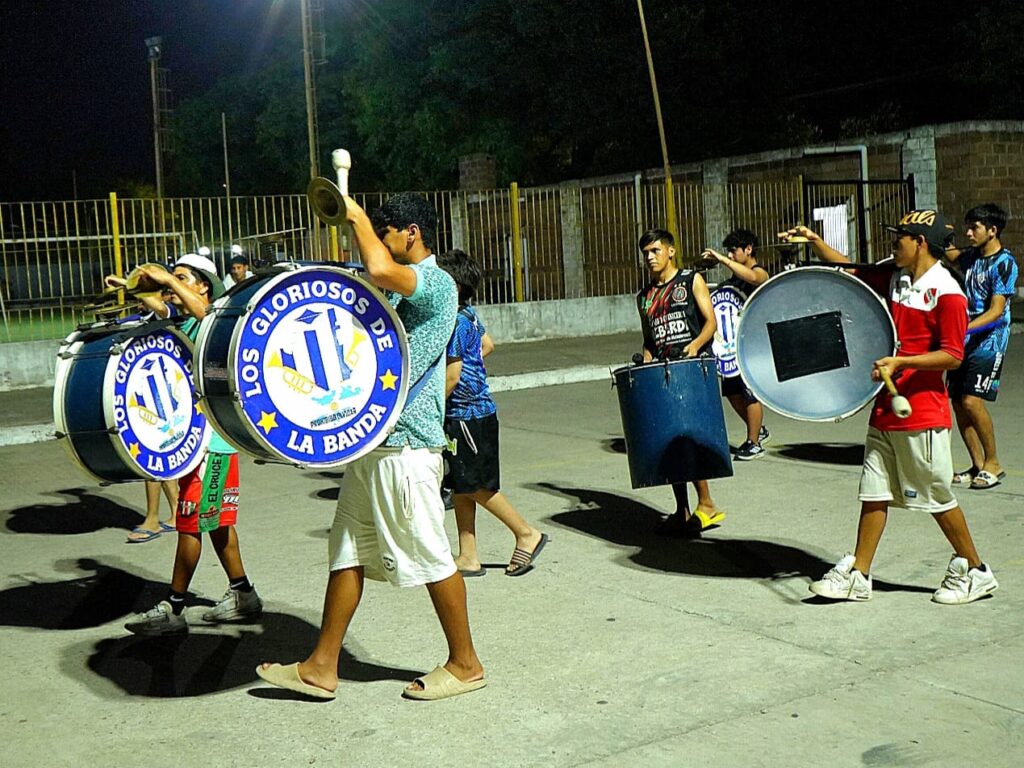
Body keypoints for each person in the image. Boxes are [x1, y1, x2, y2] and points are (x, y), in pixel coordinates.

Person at [257, 193, 485, 701]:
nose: (379, 242)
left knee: (431, 555)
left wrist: (354, 215)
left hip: (406, 446)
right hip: (374, 442)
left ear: (411, 232)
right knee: (346, 550)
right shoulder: (404, 293)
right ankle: (321, 665)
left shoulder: (436, 283)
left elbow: (379, 269)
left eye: (385, 231)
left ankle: (466, 663)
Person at [783, 211, 998, 604]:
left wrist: (902, 363)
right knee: (874, 492)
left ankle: (976, 569)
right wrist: (813, 241)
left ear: (920, 241)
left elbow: (952, 354)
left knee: (936, 496)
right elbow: (847, 269)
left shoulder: (947, 292)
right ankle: (859, 575)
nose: (893, 242)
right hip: (886, 407)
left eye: (900, 236)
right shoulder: (894, 275)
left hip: (922, 412)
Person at [117, 253, 262, 633]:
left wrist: (167, 278)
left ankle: (174, 608)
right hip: (198, 442)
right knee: (214, 523)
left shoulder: (214, 320)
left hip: (213, 443)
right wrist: (133, 285)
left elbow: (205, 312)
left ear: (202, 285)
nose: (171, 285)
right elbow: (158, 304)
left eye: (182, 279)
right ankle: (243, 593)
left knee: (191, 524)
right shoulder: (183, 321)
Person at [436, 249, 548, 578]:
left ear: (453, 286)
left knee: (475, 485)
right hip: (475, 411)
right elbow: (488, 345)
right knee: (461, 484)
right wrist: (475, 368)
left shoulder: (455, 321)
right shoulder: (467, 314)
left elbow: (452, 376)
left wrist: (433, 407)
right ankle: (468, 555)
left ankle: (526, 533)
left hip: (466, 414)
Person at [636, 228, 726, 537]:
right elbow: (649, 339)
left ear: (671, 251)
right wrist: (645, 365)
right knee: (667, 442)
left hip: (690, 370)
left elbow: (711, 322)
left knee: (687, 437)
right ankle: (682, 509)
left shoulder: (690, 281)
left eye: (655, 251)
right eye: (646, 253)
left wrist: (694, 345)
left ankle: (707, 502)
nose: (650, 257)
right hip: (662, 373)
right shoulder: (645, 296)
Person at [945, 203, 1017, 490]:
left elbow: (996, 311)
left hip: (990, 341)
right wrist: (942, 234)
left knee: (973, 401)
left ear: (992, 230)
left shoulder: (1005, 263)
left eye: (974, 227)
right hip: (965, 338)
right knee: (958, 403)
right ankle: (977, 465)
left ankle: (993, 462)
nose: (969, 232)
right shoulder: (972, 256)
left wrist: (962, 327)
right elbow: (950, 255)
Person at [701, 228, 771, 460]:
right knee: (731, 392)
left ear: (748, 249)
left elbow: (752, 278)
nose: (730, 256)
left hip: (751, 345)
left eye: (733, 251)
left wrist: (720, 259)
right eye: (727, 252)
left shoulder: (759, 272)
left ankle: (753, 443)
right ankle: (757, 428)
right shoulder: (732, 281)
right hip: (730, 348)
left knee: (749, 392)